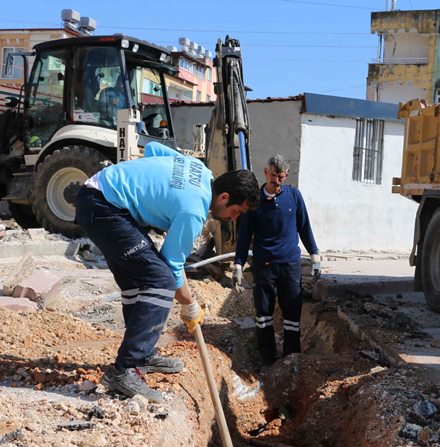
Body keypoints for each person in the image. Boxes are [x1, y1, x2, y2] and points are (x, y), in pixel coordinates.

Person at [75, 142, 260, 402]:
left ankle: (141, 355)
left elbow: (152, 149)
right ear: (224, 197)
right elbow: (171, 266)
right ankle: (123, 370)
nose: (232, 219)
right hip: (104, 208)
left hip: (99, 197)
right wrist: (189, 304)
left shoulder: (201, 170)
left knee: (136, 282)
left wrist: (143, 182)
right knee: (159, 278)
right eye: (235, 212)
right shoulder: (193, 211)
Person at [232, 155, 320, 366]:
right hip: (264, 265)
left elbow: (305, 227)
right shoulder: (254, 202)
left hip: (290, 265)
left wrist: (315, 255)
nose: (276, 181)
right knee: (264, 314)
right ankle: (268, 359)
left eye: (280, 177)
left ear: (286, 176)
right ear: (266, 172)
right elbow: (244, 236)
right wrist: (238, 264)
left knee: (292, 313)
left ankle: (291, 358)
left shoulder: (294, 196)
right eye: (273, 176)